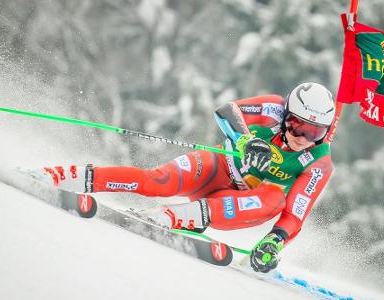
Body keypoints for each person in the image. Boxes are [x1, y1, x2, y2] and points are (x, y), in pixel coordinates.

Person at [41, 82, 335, 273]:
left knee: (275, 198)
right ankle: (68, 175)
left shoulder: (319, 162)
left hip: (234, 202)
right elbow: (226, 110)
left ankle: (173, 216)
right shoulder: (272, 107)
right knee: (158, 181)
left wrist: (274, 242)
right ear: (286, 115)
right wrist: (246, 141)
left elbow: (295, 213)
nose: (303, 137)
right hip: (216, 167)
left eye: (314, 132)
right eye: (297, 126)